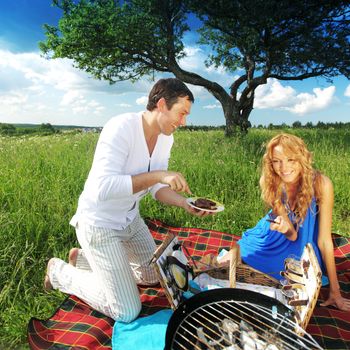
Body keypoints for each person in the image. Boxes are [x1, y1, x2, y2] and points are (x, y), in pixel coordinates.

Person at [44, 78, 211, 322]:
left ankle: (82, 259)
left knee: (156, 274)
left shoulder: (166, 138)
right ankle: (59, 272)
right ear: (162, 104)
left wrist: (184, 203)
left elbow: (155, 187)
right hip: (100, 225)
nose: (184, 122)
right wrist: (159, 175)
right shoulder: (121, 127)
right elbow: (104, 187)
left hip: (131, 220)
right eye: (181, 113)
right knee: (127, 310)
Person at [238, 133, 350, 311]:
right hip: (278, 233)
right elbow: (292, 235)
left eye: (291, 160)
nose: (284, 168)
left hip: (305, 240)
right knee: (254, 258)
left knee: (299, 273)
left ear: (302, 159)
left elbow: (324, 240)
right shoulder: (270, 183)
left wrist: (335, 292)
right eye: (277, 161)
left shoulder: (322, 184)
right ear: (270, 163)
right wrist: (283, 229)